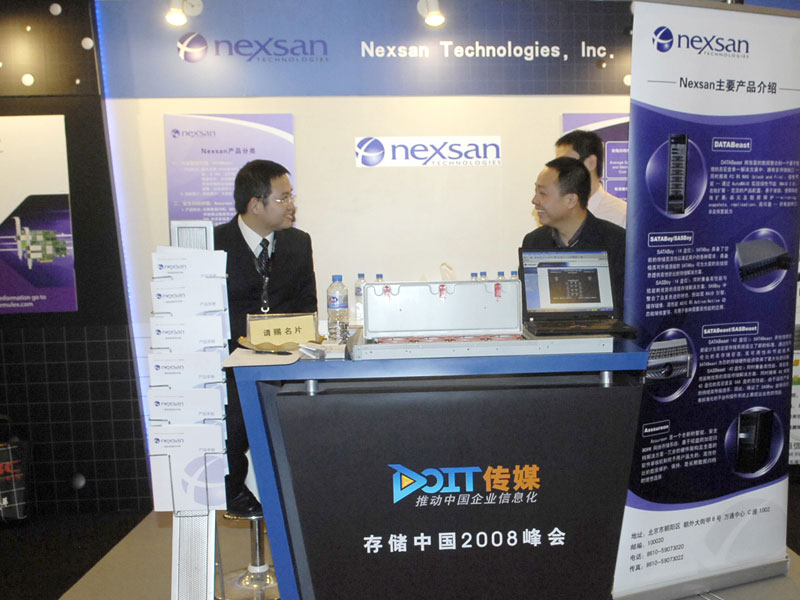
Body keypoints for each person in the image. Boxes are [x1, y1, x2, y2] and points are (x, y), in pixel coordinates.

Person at [214, 159, 317, 516]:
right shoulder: (214, 244)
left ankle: (303, 499)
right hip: (229, 364)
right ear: (255, 204)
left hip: (286, 362)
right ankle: (232, 488)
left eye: (291, 196)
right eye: (283, 198)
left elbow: (306, 305)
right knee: (231, 419)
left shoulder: (298, 243)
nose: (291, 205)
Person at [522, 156, 626, 315]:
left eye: (542, 193)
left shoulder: (617, 242)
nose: (534, 200)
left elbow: (624, 311)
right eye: (535, 191)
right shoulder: (534, 242)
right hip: (549, 331)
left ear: (571, 200)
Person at [555, 129, 627, 228]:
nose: (559, 171)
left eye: (565, 163)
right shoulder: (557, 212)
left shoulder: (622, 215)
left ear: (591, 163)